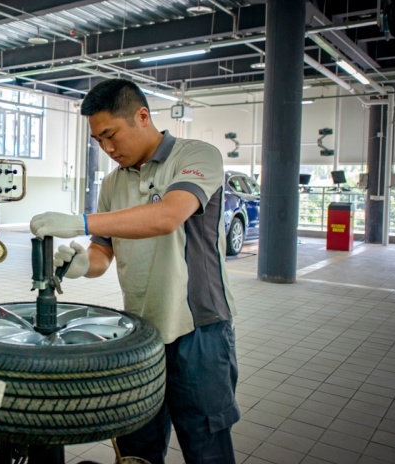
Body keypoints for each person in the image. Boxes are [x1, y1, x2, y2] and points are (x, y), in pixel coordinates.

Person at [30, 78, 240, 464]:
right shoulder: (112, 183)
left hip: (200, 333)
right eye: (98, 142)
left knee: (205, 446)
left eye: (111, 135)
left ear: (142, 116)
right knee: (136, 449)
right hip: (140, 336)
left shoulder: (198, 156)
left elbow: (168, 215)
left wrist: (80, 221)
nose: (107, 149)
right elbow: (102, 255)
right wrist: (79, 264)